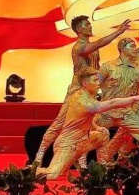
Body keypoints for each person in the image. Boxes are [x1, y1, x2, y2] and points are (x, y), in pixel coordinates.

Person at [35, 16, 132, 163]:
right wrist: (119, 31)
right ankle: (39, 155)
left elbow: (96, 70)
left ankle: (83, 163)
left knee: (87, 126)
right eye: (87, 24)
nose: (90, 26)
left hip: (91, 92)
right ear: (79, 29)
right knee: (59, 124)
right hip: (76, 92)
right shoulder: (78, 47)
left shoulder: (93, 50)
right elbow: (99, 43)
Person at [35, 67, 139, 179]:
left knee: (103, 134)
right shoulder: (83, 100)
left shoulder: (87, 95)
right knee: (53, 175)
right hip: (68, 143)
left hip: (82, 141)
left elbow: (84, 118)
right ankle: (31, 171)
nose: (98, 83)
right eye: (95, 80)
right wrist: (134, 98)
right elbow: (111, 103)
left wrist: (96, 127)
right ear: (85, 83)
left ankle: (103, 169)